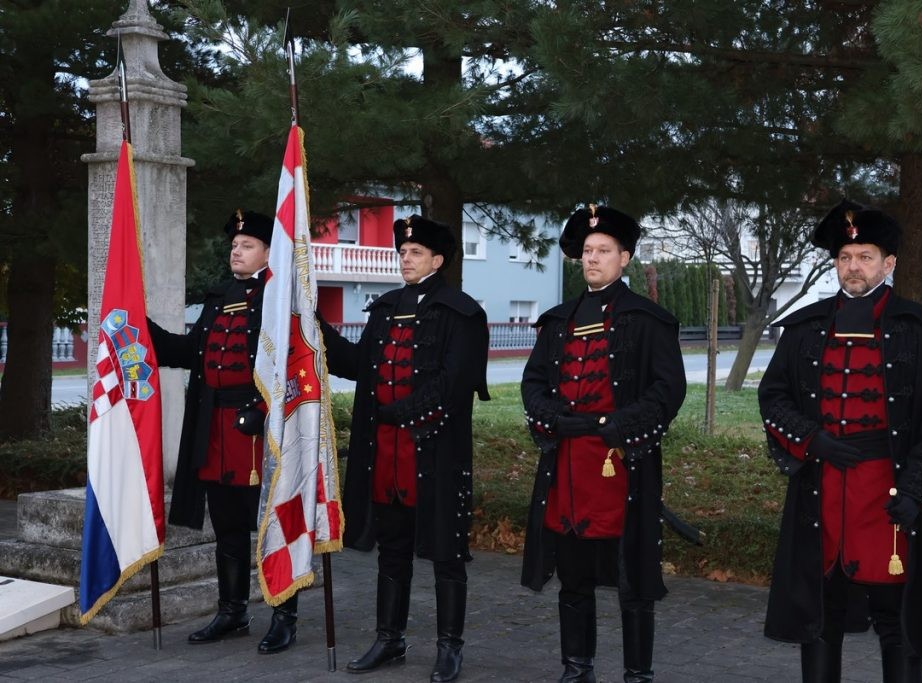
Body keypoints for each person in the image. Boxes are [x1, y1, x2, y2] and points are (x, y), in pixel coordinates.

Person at [758, 199, 922, 683]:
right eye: (846, 258)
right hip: (820, 494)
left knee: (897, 622)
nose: (854, 266)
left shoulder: (921, 332)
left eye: (865, 256)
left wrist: (916, 493)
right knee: (821, 620)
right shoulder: (805, 327)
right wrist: (811, 440)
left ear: (888, 264)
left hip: (889, 497)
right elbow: (773, 396)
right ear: (835, 264)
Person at [520, 205, 686, 683]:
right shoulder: (557, 321)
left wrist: (614, 425)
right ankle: (578, 668)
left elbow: (667, 390)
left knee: (632, 581)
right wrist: (555, 418)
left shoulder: (649, 319)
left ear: (625, 257)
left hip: (623, 466)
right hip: (568, 468)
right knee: (573, 578)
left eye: (604, 251)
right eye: (588, 251)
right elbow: (533, 384)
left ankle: (637, 674)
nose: (593, 259)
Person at [320, 215, 489, 682]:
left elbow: (455, 385)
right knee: (392, 549)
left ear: (437, 259)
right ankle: (389, 639)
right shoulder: (386, 307)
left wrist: (399, 412)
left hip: (434, 453)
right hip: (386, 457)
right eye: (402, 252)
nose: (406, 259)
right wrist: (314, 324)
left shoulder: (463, 313)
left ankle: (449, 648)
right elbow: (358, 365)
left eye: (415, 253)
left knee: (446, 555)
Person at [148, 210, 300, 654]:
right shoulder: (219, 298)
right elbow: (188, 353)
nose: (236, 250)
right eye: (235, 245)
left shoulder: (280, 298)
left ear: (270, 253)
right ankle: (232, 612)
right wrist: (141, 323)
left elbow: (295, 367)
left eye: (247, 245)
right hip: (215, 431)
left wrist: (264, 409)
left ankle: (284, 616)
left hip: (260, 432)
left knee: (272, 525)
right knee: (228, 526)